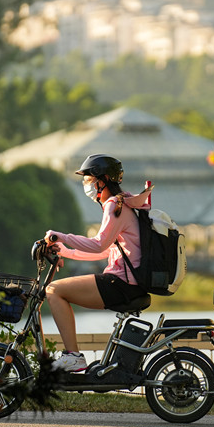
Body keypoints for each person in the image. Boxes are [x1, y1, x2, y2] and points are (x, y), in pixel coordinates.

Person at [43, 154, 151, 372]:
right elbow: (104, 251)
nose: (87, 184)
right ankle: (74, 357)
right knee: (57, 290)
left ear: (103, 180)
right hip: (127, 284)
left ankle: (73, 356)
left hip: (120, 284)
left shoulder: (114, 206)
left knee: (54, 290)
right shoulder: (124, 204)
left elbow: (98, 245)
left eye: (89, 179)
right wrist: (66, 251)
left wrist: (60, 236)